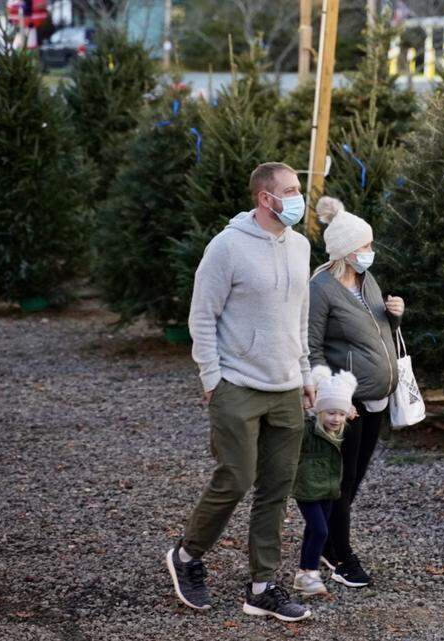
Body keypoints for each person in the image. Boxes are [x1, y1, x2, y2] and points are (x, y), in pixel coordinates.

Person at [166, 162, 316, 623]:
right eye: (289, 191)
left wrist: (306, 371)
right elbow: (202, 315)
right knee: (236, 477)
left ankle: (262, 587)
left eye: (298, 189)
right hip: (238, 386)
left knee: (276, 489)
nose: (297, 198)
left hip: (288, 387)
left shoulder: (301, 246)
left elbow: (300, 315)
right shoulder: (227, 247)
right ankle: (188, 556)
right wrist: (212, 378)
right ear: (263, 198)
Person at [307, 197, 405, 588]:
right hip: (347, 402)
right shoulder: (322, 289)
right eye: (364, 247)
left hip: (376, 397)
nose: (370, 252)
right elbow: (311, 346)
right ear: (347, 253)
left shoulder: (367, 280)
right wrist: (331, 396)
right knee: (342, 479)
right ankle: (340, 554)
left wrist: (395, 313)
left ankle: (330, 543)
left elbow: (377, 328)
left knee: (356, 476)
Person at [291, 365, 359, 596]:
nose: (335, 418)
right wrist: (306, 405)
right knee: (320, 531)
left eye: (340, 414)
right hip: (307, 489)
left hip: (329, 489)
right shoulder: (309, 430)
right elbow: (298, 425)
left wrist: (347, 410)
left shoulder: (340, 431)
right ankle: (310, 572)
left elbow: (346, 418)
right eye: (330, 413)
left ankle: (302, 573)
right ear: (319, 411)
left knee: (313, 530)